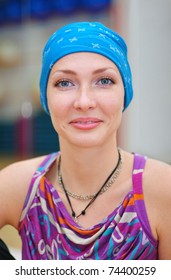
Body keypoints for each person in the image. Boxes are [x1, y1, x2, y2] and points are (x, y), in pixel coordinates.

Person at [0, 21, 171, 260]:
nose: (84, 101)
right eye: (65, 83)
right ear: (45, 97)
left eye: (104, 81)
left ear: (125, 93)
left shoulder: (163, 189)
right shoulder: (18, 185)